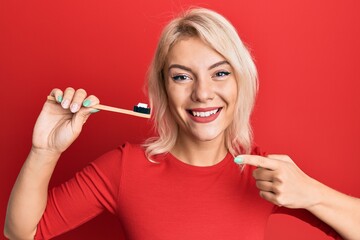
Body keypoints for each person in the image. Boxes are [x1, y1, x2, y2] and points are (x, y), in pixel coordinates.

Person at [4, 7, 360, 240]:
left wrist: (311, 192)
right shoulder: (124, 168)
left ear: (241, 81)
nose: (203, 93)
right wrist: (44, 150)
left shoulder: (262, 174)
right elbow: (21, 234)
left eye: (220, 73)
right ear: (162, 88)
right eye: (182, 77)